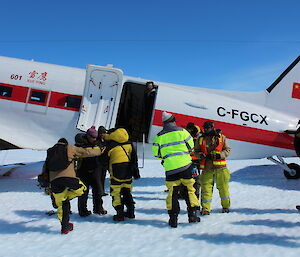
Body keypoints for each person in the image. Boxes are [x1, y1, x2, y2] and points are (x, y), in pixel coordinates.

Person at [152, 111, 200, 228]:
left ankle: (173, 218)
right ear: (173, 121)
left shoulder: (159, 136)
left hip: (170, 168)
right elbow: (191, 147)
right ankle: (192, 215)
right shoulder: (182, 132)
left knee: (172, 193)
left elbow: (156, 153)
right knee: (189, 190)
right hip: (186, 166)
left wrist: (167, 158)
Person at [47, 138, 104, 234]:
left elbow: (46, 166)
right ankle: (67, 198)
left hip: (54, 181)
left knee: (61, 204)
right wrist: (100, 151)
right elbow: (86, 152)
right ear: (65, 143)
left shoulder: (50, 151)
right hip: (69, 178)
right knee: (82, 189)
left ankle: (65, 226)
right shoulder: (70, 148)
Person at [194, 120, 231, 215]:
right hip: (207, 168)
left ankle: (226, 206)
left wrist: (220, 155)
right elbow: (196, 151)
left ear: (212, 127)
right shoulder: (200, 139)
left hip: (221, 168)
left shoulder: (221, 137)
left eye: (208, 128)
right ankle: (205, 209)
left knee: (223, 188)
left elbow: (227, 150)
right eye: (205, 128)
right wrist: (200, 155)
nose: (206, 130)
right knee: (206, 189)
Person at [104, 128, 140, 221]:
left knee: (116, 193)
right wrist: (136, 172)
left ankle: (119, 214)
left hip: (116, 173)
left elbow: (103, 160)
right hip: (128, 172)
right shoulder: (129, 143)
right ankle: (131, 212)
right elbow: (134, 159)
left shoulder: (110, 145)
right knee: (127, 191)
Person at [76, 126, 107, 217]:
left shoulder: (98, 143)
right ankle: (83, 210)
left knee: (98, 191)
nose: (94, 139)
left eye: (95, 137)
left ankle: (98, 208)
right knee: (83, 192)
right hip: (83, 171)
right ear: (87, 135)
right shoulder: (80, 143)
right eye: (92, 137)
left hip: (96, 170)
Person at [185, 122, 202, 200]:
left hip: (194, 162)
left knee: (195, 179)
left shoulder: (197, 138)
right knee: (188, 179)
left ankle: (196, 193)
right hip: (190, 162)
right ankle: (187, 193)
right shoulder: (189, 137)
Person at [98, 126, 109, 196]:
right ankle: (99, 191)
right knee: (98, 177)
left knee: (103, 177)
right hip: (98, 162)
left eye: (104, 133)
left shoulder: (106, 141)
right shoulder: (97, 141)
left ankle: (102, 191)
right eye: (102, 133)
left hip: (104, 162)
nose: (104, 134)